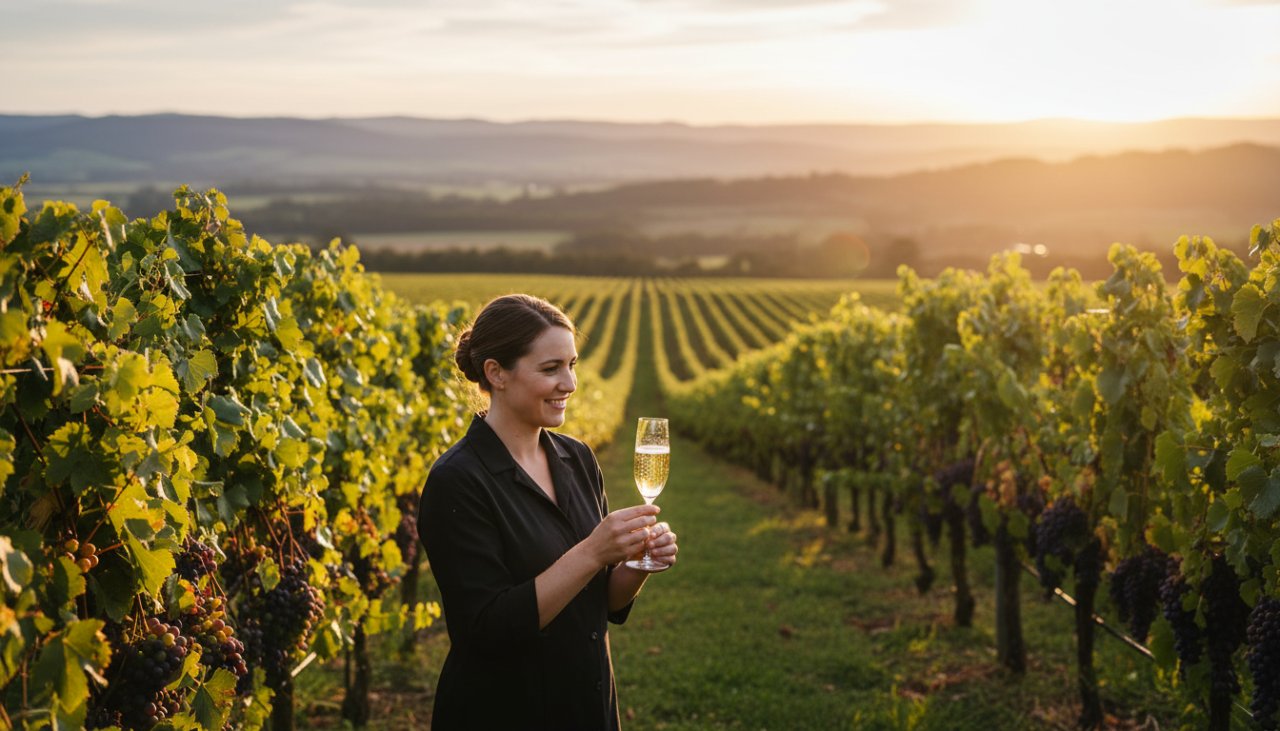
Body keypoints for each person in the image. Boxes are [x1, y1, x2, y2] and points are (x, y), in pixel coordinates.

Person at [418, 293, 678, 730]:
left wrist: (637, 562)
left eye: (572, 365)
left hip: (587, 704)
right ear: (496, 373)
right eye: (551, 368)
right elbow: (486, 630)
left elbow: (603, 603)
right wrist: (594, 551)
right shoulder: (457, 480)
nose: (570, 384)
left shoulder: (577, 459)